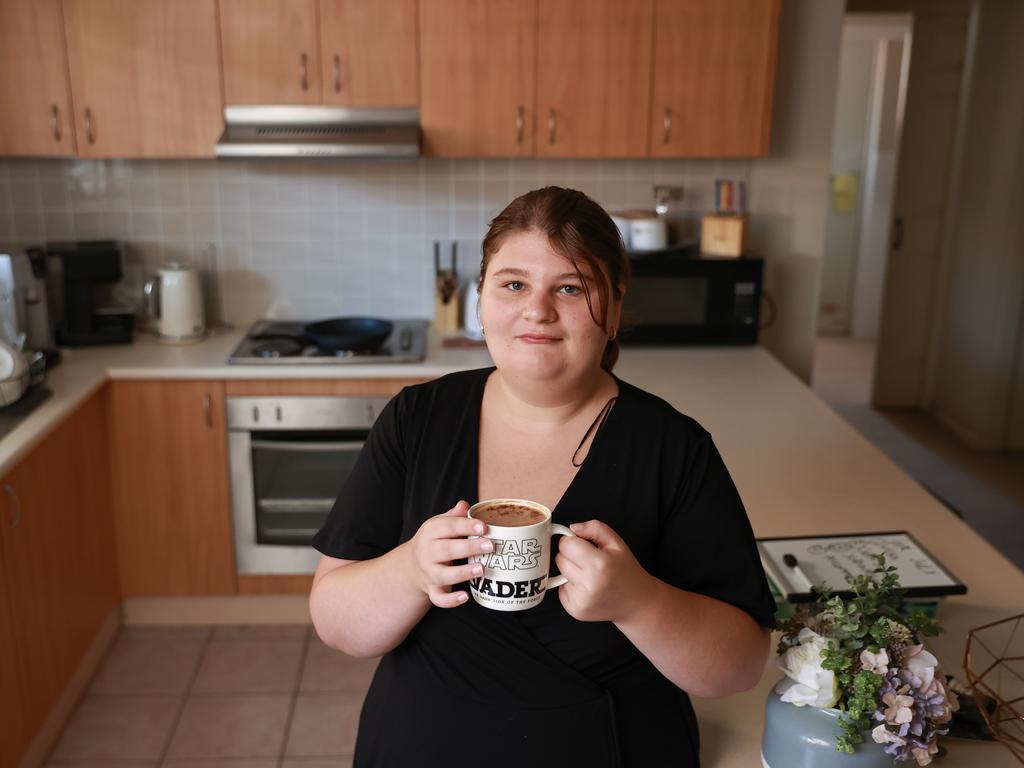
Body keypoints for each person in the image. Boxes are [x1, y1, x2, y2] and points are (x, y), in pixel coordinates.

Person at [310, 186, 776, 767]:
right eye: (513, 284)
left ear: (617, 305)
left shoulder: (674, 449)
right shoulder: (416, 418)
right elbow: (335, 622)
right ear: (481, 297)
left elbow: (738, 666)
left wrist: (638, 602)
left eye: (571, 287)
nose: (537, 310)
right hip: (419, 743)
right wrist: (409, 568)